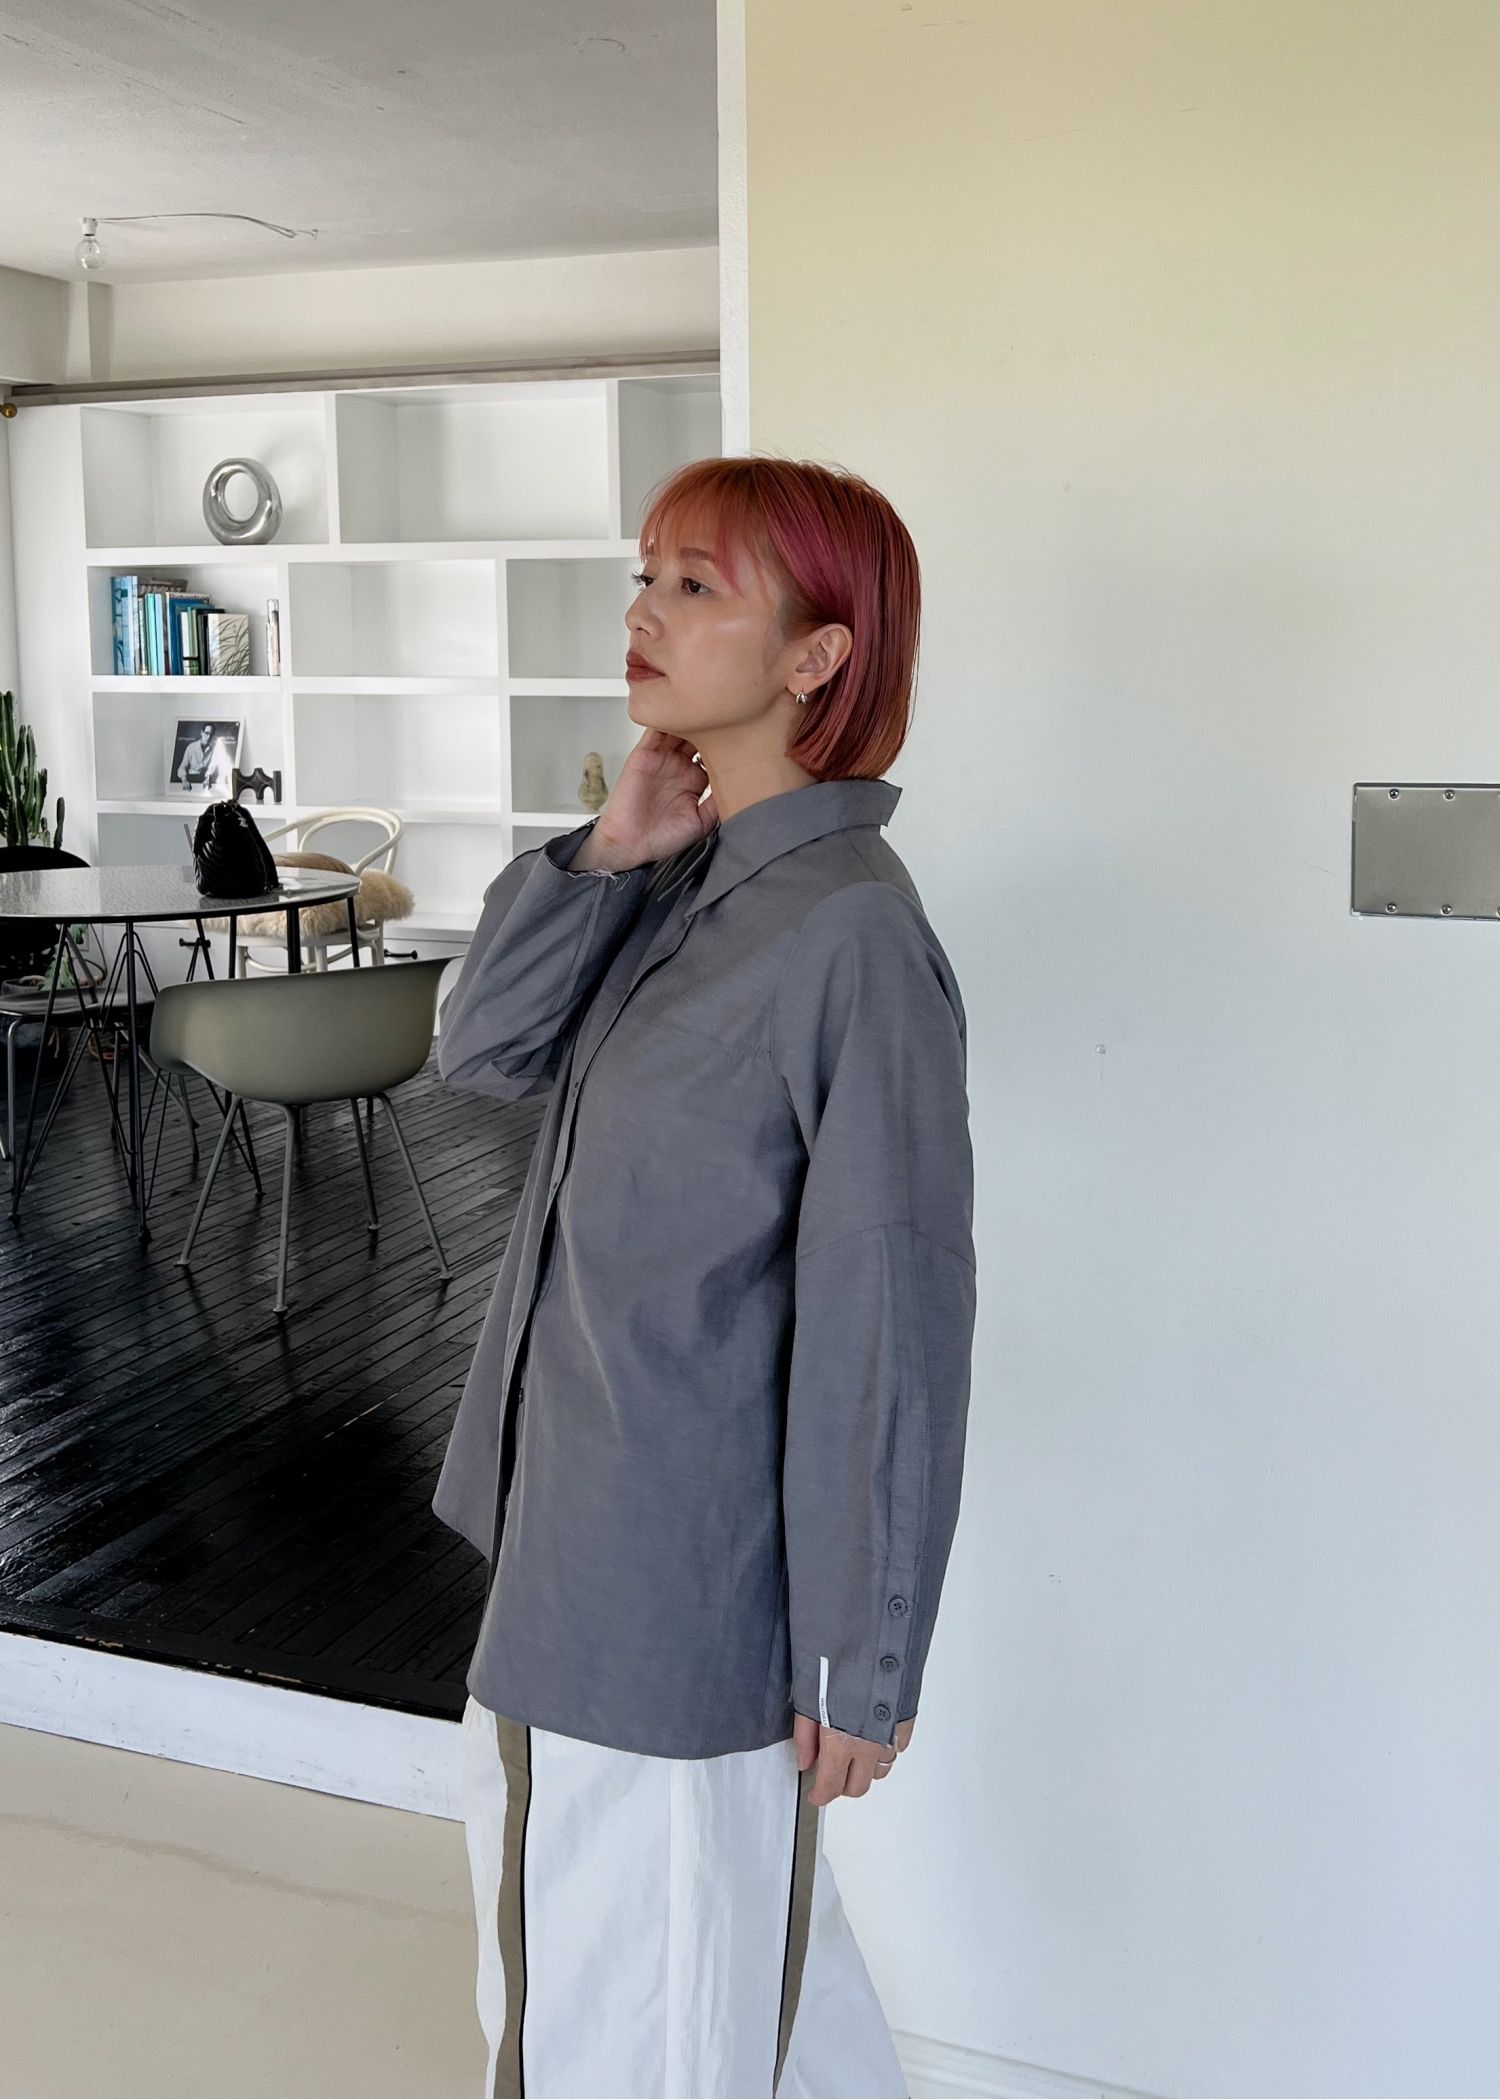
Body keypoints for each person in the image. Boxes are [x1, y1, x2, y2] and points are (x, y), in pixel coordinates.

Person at [433, 455, 977, 2099]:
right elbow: (481, 1052)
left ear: (820, 655)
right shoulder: (680, 878)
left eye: (695, 585)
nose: (644, 611)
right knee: (685, 1986)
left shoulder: (850, 935)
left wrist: (862, 1658)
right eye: (647, 573)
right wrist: (609, 848)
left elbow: (892, 1312)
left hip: (678, 1600)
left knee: (635, 2017)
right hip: (571, 1549)